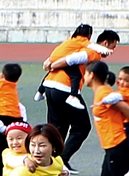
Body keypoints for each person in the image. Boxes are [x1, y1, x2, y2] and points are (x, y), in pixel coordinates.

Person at [40, 25, 115, 161]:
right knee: (82, 126)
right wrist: (53, 65)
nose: (112, 51)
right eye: (113, 47)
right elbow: (73, 59)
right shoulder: (93, 52)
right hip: (65, 88)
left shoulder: (73, 44)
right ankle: (62, 160)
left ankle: (52, 160)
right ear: (105, 43)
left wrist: (50, 62)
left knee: (58, 126)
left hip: (49, 86)